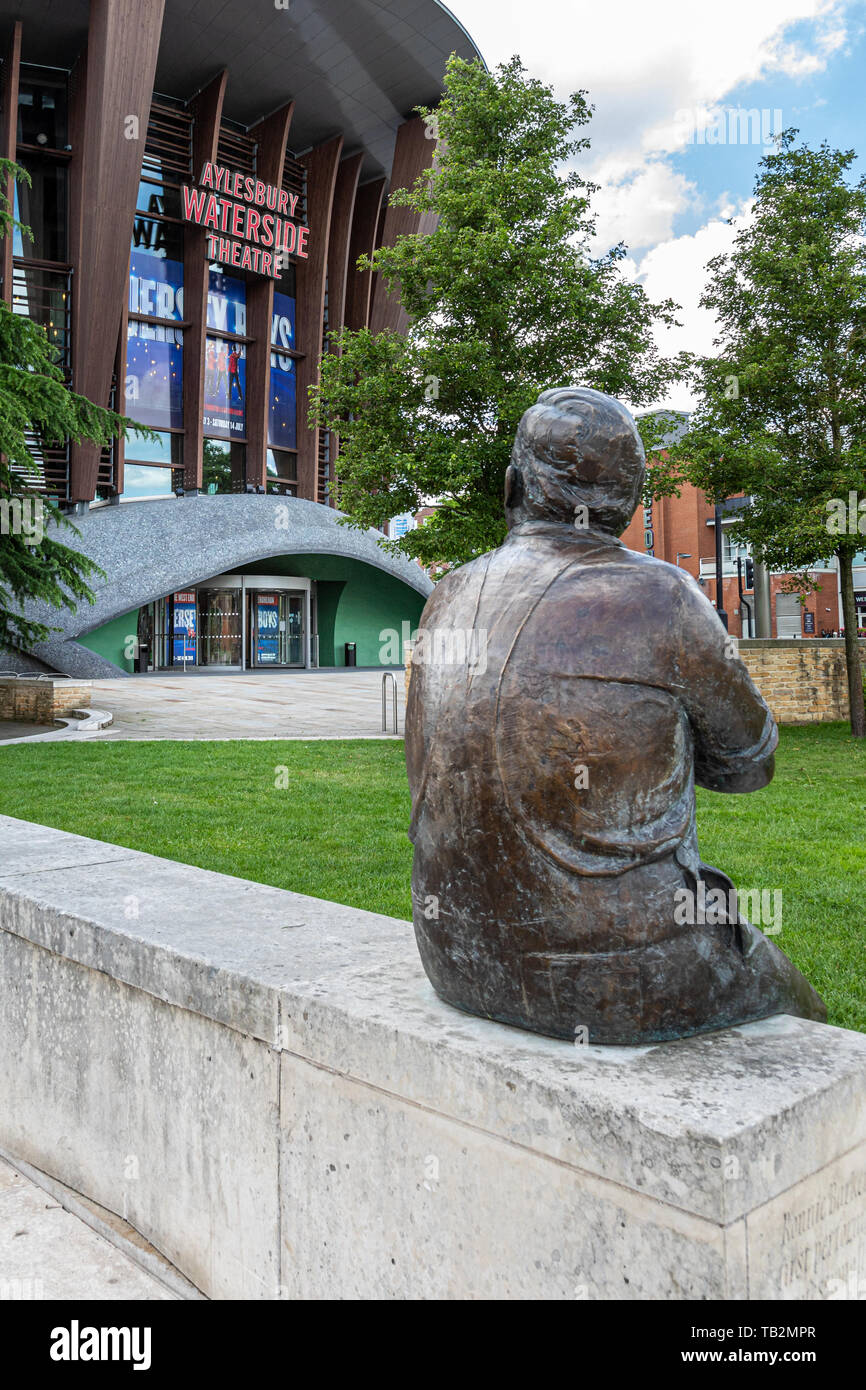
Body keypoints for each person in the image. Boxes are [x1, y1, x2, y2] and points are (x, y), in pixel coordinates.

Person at [406, 386, 826, 1044]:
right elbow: (750, 765)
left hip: (454, 955)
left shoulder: (445, 595)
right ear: (628, 507)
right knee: (804, 1015)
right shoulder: (663, 596)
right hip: (617, 972)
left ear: (511, 487)